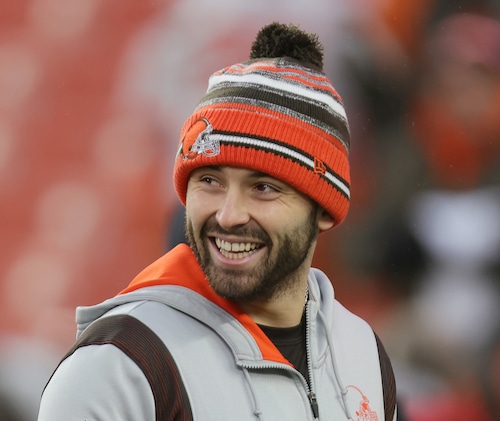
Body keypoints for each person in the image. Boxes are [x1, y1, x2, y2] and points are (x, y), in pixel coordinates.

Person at [38, 22, 397, 420]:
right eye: (209, 181)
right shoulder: (121, 368)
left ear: (325, 209)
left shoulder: (363, 352)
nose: (228, 215)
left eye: (263, 188)